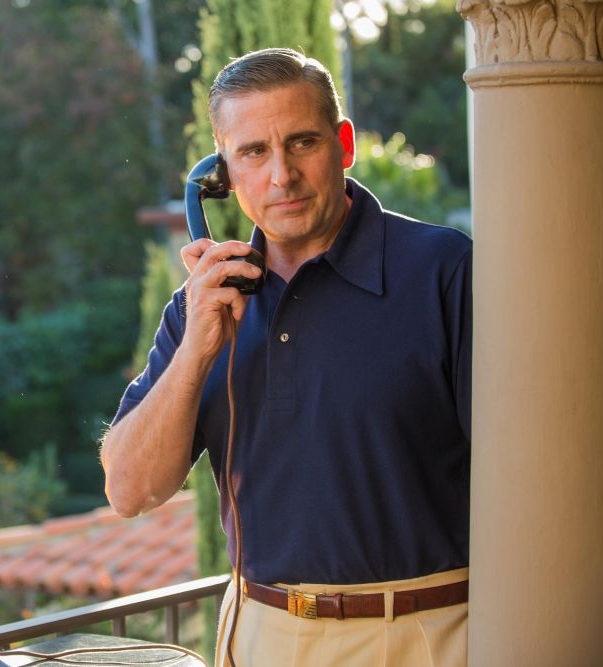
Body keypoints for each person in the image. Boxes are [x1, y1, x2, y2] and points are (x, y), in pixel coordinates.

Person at [99, 47, 471, 667]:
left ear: (343, 145)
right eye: (253, 152)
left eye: (302, 142)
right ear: (221, 174)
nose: (281, 176)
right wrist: (197, 348)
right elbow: (130, 490)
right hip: (257, 635)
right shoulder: (204, 304)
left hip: (420, 635)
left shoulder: (444, 271)